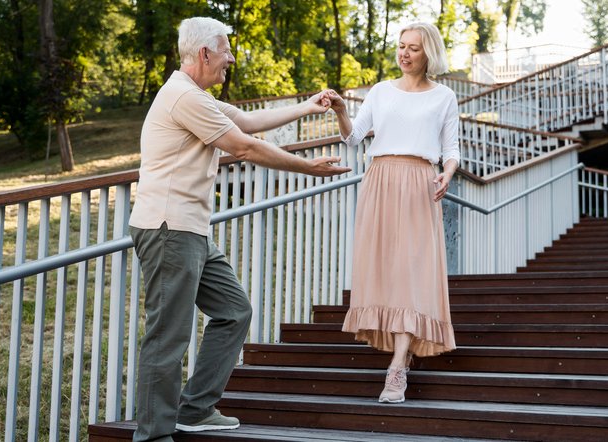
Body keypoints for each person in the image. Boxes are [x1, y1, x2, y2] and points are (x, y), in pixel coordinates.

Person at [127, 16, 350, 442]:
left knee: (234, 311)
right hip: (169, 229)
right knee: (168, 337)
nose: (231, 58)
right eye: (226, 50)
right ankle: (153, 435)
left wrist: (308, 105)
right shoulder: (182, 97)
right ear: (204, 53)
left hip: (190, 231)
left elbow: (248, 122)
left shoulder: (196, 95)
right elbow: (243, 146)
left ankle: (195, 409)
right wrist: (307, 167)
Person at [328, 21, 459, 404]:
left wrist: (446, 174)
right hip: (380, 181)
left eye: (413, 48)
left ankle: (398, 367)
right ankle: (399, 355)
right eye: (401, 46)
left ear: (427, 53)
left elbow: (451, 150)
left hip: (420, 184)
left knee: (412, 274)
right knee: (387, 271)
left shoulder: (444, 97)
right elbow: (353, 137)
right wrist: (340, 110)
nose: (404, 53)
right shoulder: (381, 92)